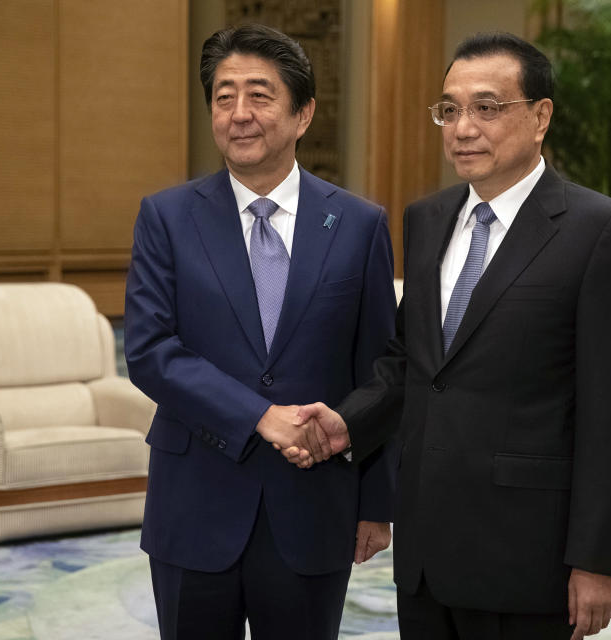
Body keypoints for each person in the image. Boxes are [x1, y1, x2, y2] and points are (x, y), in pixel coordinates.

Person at [284, 32, 611, 640]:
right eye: (449, 110)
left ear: (540, 117)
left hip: (528, 552)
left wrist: (598, 560)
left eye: (487, 107)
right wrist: (348, 423)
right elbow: (413, 361)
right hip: (427, 551)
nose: (462, 128)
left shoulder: (600, 230)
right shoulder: (428, 219)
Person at [124, 24, 397, 640]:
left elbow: (380, 370)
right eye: (224, 97)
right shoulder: (166, 218)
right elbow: (149, 352)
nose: (239, 114)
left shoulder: (358, 225)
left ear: (303, 114)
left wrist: (377, 503)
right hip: (194, 503)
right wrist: (260, 416)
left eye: (259, 95)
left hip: (314, 506)